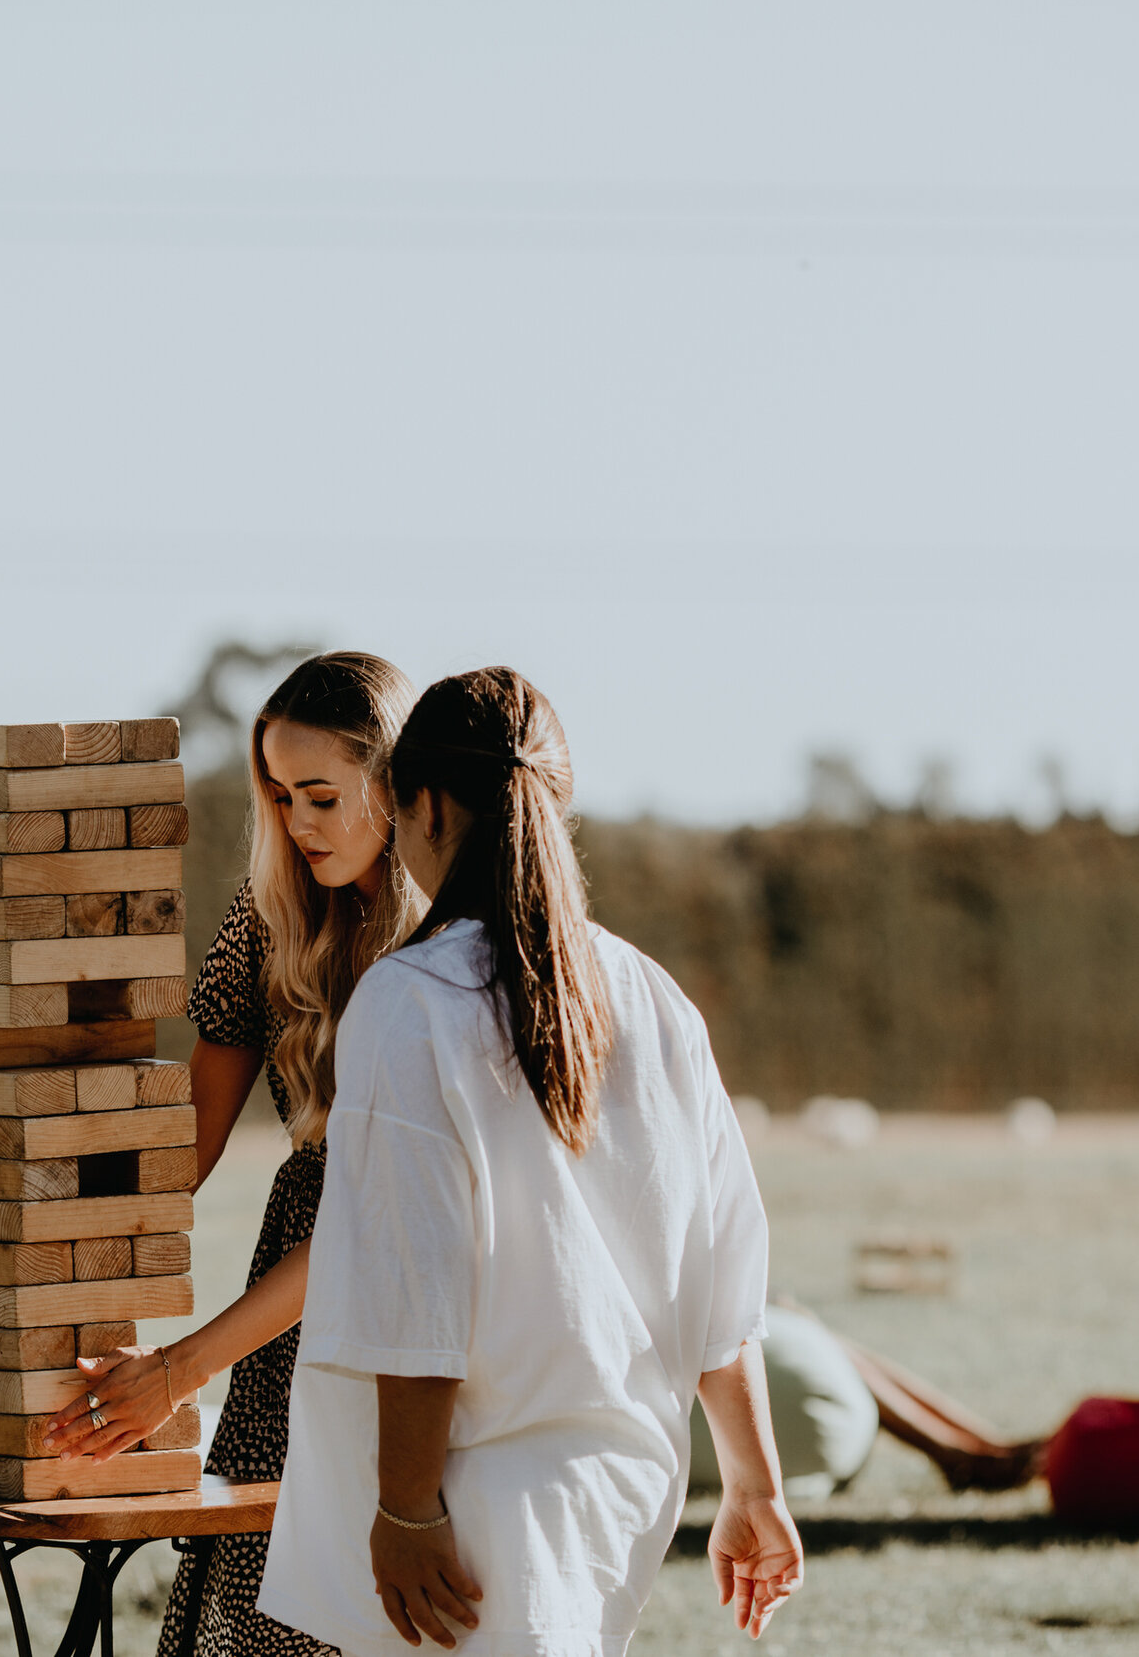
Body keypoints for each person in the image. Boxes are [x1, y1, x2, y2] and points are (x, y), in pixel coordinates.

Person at [258, 667, 804, 1654]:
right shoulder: (653, 996)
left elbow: (419, 1278)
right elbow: (720, 1263)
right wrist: (755, 1483)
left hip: (472, 1499)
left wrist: (408, 1506)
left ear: (418, 805)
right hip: (621, 1486)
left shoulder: (409, 999)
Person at [44, 651, 420, 1656]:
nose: (297, 821)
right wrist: (44, 1208)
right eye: (278, 794)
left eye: (322, 794)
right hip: (290, 1298)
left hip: (419, 1289)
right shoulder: (266, 917)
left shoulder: (451, 946)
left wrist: (176, 1368)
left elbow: (374, 1221)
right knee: (260, 1608)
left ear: (392, 782)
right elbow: (182, 1152)